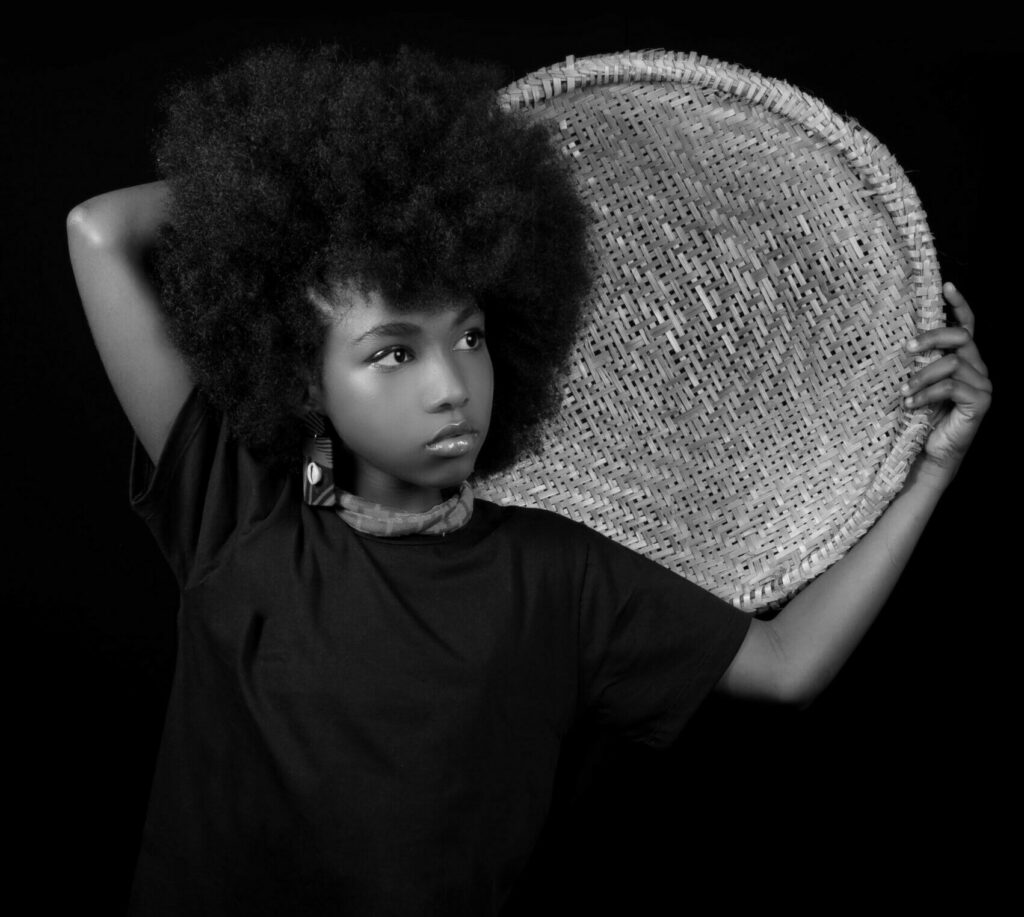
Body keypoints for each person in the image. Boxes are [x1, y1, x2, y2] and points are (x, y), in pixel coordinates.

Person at [67, 45, 991, 916]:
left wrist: (935, 467)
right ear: (308, 378)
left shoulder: (558, 572)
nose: (449, 387)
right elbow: (101, 231)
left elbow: (789, 668)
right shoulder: (241, 507)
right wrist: (311, 203)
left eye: (468, 338)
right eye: (392, 352)